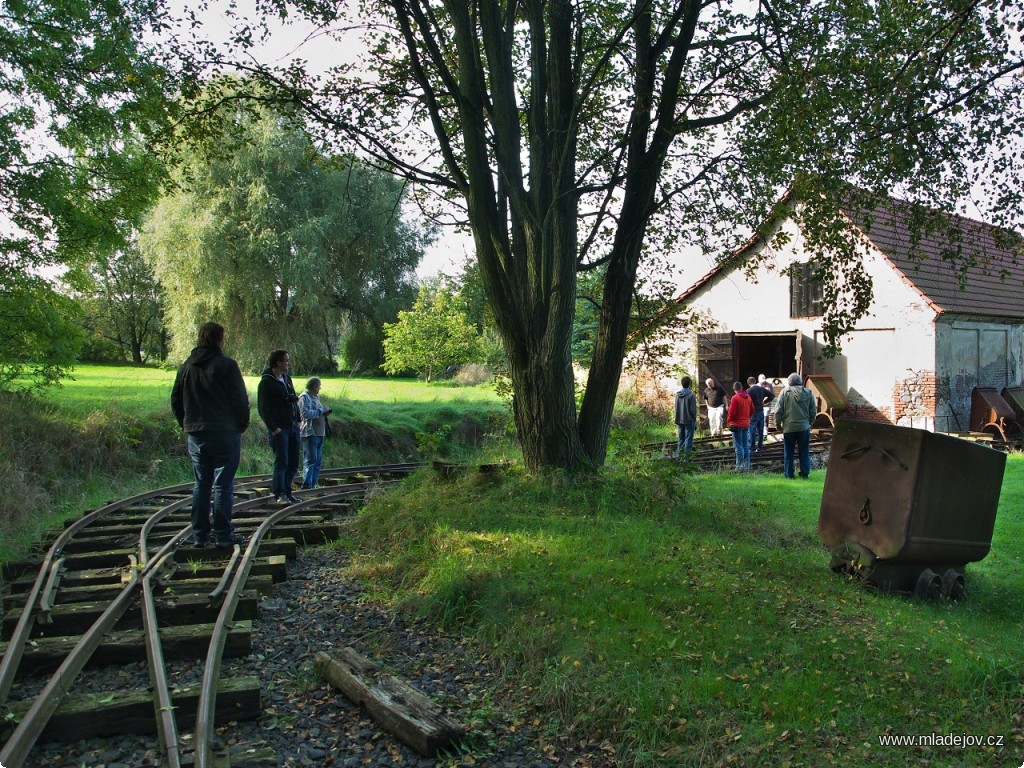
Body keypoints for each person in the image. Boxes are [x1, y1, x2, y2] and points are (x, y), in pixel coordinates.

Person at [170, 322, 249, 548]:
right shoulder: (227, 365)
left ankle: (200, 535)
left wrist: (186, 423)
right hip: (225, 431)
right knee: (223, 484)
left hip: (196, 432)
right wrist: (240, 425)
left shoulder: (186, 367)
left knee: (201, 484)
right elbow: (240, 399)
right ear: (218, 339)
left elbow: (176, 400)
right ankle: (224, 535)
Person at [257, 349, 301, 503]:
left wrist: (299, 419)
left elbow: (294, 400)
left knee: (293, 461)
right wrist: (273, 427)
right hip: (280, 428)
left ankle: (287, 491)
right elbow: (263, 407)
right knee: (282, 461)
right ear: (278, 362)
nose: (288, 363)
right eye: (286, 360)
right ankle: (279, 493)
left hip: (293, 425)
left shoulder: (287, 378)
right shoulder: (266, 382)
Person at [774, 372, 818, 479]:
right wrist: (810, 422)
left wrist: (778, 424)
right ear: (800, 382)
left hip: (789, 428)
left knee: (788, 452)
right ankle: (804, 474)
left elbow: (778, 410)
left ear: (789, 382)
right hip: (804, 427)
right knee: (804, 451)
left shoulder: (785, 392)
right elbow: (813, 411)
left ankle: (789, 474)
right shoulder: (808, 392)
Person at [299, 377, 331, 489]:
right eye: (319, 385)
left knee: (317, 461)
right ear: (313, 386)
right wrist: (321, 411)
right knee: (310, 459)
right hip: (309, 432)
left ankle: (312, 484)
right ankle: (307, 485)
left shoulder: (316, 397)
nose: (320, 388)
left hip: (319, 432)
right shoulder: (304, 398)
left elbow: (318, 412)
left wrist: (324, 412)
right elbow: (305, 414)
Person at [726, 380, 753, 470]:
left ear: (734, 389)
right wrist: (746, 417)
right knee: (745, 445)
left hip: (737, 425)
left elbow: (731, 412)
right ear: (741, 388)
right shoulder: (748, 397)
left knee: (738, 446)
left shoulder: (735, 398)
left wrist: (729, 421)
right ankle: (746, 466)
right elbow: (752, 410)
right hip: (746, 424)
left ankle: (739, 467)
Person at [746, 376, 774, 453]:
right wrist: (764, 402)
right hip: (761, 411)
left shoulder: (749, 391)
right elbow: (772, 396)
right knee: (760, 430)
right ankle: (759, 447)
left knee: (752, 430)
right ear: (755, 381)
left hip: (753, 413)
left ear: (748, 383)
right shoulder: (761, 389)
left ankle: (752, 447)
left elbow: (746, 402)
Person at [673, 376, 698, 458]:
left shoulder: (677, 394)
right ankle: (686, 459)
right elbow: (693, 410)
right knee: (688, 439)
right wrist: (694, 419)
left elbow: (676, 407)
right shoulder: (691, 395)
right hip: (689, 419)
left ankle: (679, 456)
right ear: (690, 384)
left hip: (679, 419)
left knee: (680, 439)